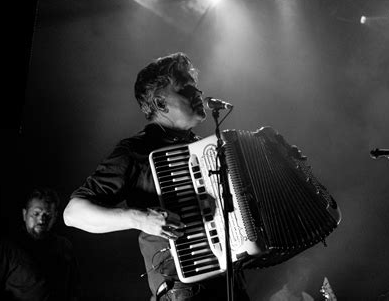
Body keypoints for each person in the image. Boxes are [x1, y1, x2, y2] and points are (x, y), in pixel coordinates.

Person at [63, 52, 250, 300]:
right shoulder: (135, 150)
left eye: (196, 88)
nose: (198, 94)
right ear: (160, 104)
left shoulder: (204, 148)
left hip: (229, 284)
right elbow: (72, 213)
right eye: (185, 90)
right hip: (183, 289)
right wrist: (138, 218)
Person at [0, 187, 80, 301]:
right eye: (36, 213)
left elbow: (74, 289)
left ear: (55, 216)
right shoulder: (6, 248)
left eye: (48, 215)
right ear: (25, 214)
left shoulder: (64, 246)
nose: (41, 220)